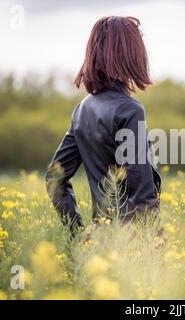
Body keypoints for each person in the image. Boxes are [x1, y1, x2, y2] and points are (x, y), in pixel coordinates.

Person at [45, 16, 161, 237]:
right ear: (131, 54)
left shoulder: (82, 110)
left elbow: (54, 178)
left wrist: (80, 235)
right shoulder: (130, 110)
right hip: (131, 246)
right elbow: (143, 195)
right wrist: (156, 250)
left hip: (101, 244)